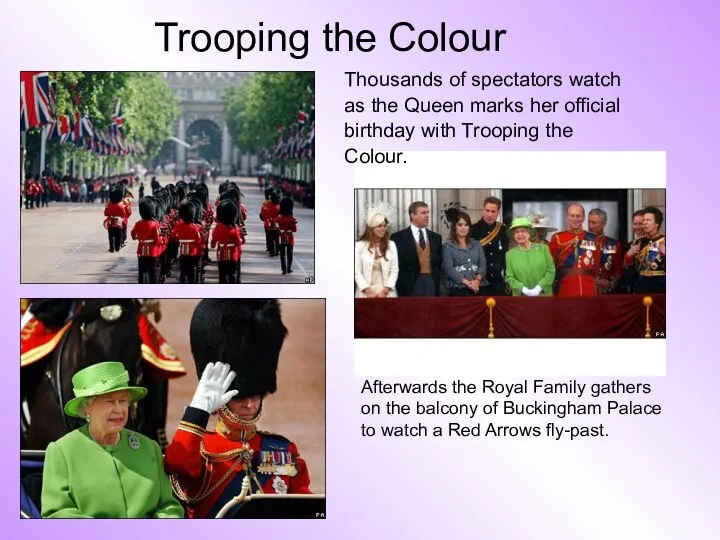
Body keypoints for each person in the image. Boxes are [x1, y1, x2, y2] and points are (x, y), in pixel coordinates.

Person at [165, 300, 312, 519]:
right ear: (222, 398)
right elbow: (176, 464)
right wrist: (198, 410)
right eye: (240, 396)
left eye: (255, 395)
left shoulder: (283, 450)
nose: (250, 405)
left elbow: (305, 510)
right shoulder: (202, 447)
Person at [40, 362, 184, 518]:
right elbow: (57, 513)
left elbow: (169, 507)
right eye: (109, 401)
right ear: (87, 406)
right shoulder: (62, 451)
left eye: (123, 401)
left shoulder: (149, 447)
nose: (119, 409)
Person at [390, 201, 442, 296]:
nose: (427, 216)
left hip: (431, 283)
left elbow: (439, 263)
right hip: (408, 285)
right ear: (413, 215)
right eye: (423, 213)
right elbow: (396, 264)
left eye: (428, 212)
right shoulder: (398, 237)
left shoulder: (436, 237)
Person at [548, 203, 598, 296]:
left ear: (583, 218)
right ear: (567, 217)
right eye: (572, 216)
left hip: (588, 286)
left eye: (578, 216)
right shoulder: (557, 238)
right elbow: (551, 265)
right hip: (566, 286)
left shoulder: (593, 238)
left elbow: (596, 265)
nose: (575, 219)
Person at [355, 202, 399, 298]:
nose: (383, 229)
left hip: (387, 294)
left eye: (384, 226)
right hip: (365, 294)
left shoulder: (391, 245)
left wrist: (385, 291)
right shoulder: (359, 246)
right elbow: (357, 271)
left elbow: (394, 270)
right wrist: (368, 292)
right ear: (371, 228)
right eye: (379, 226)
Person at [505, 217, 556, 296]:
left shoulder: (543, 248)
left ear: (529, 234)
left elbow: (551, 270)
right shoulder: (510, 254)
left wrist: (539, 287)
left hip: (543, 296)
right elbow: (510, 277)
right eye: (517, 232)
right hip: (521, 299)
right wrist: (523, 289)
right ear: (513, 235)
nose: (520, 234)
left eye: (523, 231)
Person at [442, 210, 487, 296]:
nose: (463, 227)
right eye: (460, 224)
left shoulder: (477, 244)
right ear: (454, 226)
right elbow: (449, 269)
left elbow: (483, 264)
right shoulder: (447, 246)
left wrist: (477, 281)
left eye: (466, 225)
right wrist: (467, 283)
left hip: (479, 288)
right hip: (458, 289)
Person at [470, 196, 509, 296]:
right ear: (483, 210)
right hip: (479, 281)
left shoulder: (503, 230)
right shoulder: (472, 230)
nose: (489, 214)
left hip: (498, 281)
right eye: (487, 211)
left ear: (498, 212)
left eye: (493, 211)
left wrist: (507, 279)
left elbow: (506, 256)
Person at [626, 206, 665, 293]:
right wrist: (628, 255)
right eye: (644, 220)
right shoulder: (637, 242)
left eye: (648, 220)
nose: (645, 223)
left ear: (656, 223)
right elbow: (630, 268)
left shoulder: (665, 241)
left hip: (660, 287)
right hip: (641, 286)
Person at [587, 208, 623, 294]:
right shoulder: (582, 243)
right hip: (587, 288)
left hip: (608, 292)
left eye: (594, 222)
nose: (590, 226)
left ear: (603, 224)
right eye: (589, 222)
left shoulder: (614, 244)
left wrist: (611, 285)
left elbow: (618, 271)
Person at [131, 197, 163, 283]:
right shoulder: (154, 224)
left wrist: (138, 238)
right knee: (153, 271)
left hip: (141, 250)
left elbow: (133, 234)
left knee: (142, 270)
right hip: (153, 252)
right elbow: (157, 240)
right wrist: (161, 242)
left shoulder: (138, 223)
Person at [211, 200, 244, 284]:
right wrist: (239, 252)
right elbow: (239, 243)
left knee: (222, 275)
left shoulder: (218, 229)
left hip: (221, 256)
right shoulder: (234, 230)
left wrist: (213, 244)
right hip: (233, 255)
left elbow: (213, 240)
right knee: (232, 274)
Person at [276, 197, 298, 275]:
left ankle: (284, 269)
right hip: (289, 237)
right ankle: (289, 268)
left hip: (281, 237)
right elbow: (294, 230)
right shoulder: (291, 219)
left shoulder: (278, 218)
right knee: (290, 253)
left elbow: (277, 227)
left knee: (282, 254)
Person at [103, 185, 127, 253]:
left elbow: (105, 213)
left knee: (110, 235)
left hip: (110, 222)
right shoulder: (121, 205)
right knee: (118, 235)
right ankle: (117, 247)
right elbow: (123, 215)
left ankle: (111, 248)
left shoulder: (109, 205)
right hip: (118, 222)